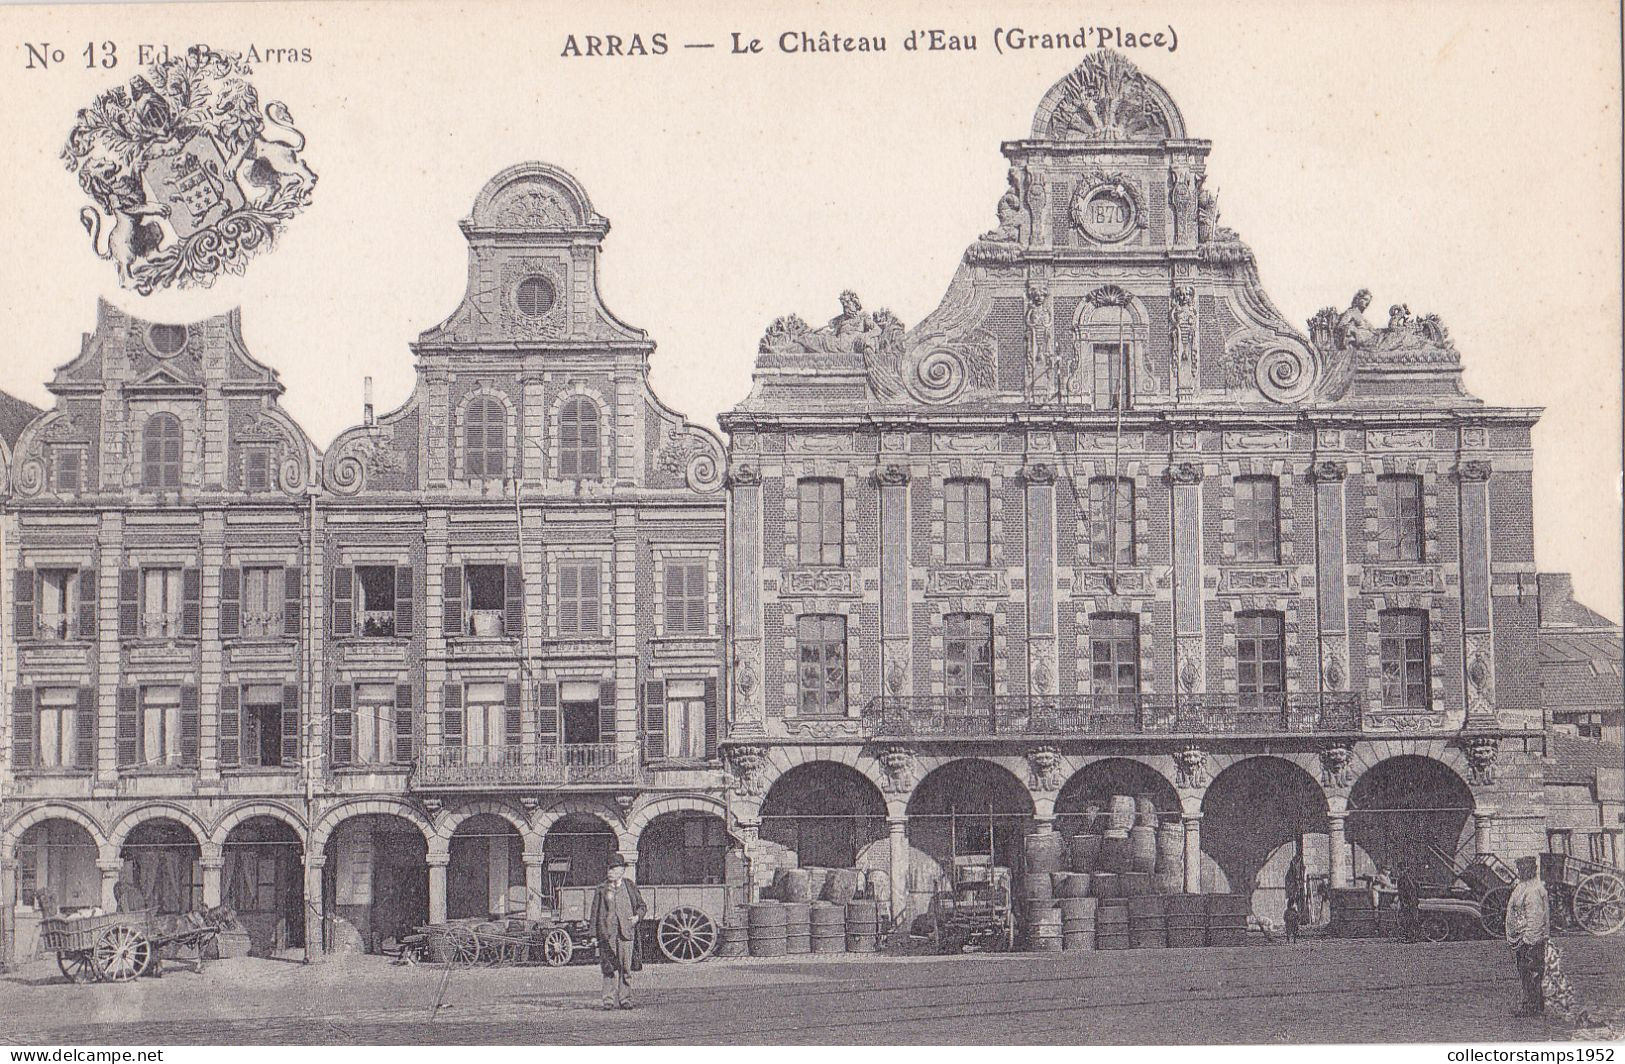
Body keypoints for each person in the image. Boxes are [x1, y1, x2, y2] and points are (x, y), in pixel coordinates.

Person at [590, 854, 647, 1010]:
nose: (610, 871)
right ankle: (608, 1000)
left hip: (626, 934)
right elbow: (594, 913)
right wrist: (594, 935)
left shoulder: (630, 887)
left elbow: (642, 906)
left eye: (614, 868)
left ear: (622, 870)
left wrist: (637, 917)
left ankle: (625, 999)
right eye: (609, 868)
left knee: (625, 968)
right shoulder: (601, 889)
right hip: (607, 934)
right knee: (608, 968)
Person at [1505, 855, 1550, 1017]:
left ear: (1534, 869)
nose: (1522, 871)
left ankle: (1532, 1007)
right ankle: (1534, 1004)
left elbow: (1536, 919)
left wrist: (1528, 941)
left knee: (1531, 972)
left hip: (1531, 941)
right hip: (1522, 939)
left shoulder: (1533, 890)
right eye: (1520, 868)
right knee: (1527, 973)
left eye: (1526, 868)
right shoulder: (1523, 886)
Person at [1283, 849, 1307, 943]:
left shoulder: (1300, 866)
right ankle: (1290, 938)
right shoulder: (1291, 872)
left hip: (1297, 889)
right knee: (1290, 926)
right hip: (1293, 890)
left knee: (1294, 925)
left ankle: (1294, 938)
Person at [1396, 862, 1421, 943]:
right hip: (1413, 901)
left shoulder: (1401, 879)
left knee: (1408, 920)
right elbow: (1418, 888)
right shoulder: (1412, 878)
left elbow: (1401, 892)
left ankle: (1410, 937)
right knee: (1414, 919)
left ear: (1399, 869)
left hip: (1407, 902)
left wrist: (1403, 902)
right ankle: (1414, 937)